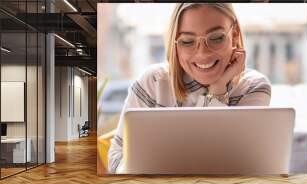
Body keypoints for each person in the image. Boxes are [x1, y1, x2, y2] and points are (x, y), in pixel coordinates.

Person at [108, 3, 272, 174]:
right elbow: (116, 159)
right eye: (187, 41)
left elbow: (236, 167)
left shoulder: (253, 87)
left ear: (235, 33)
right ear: (175, 44)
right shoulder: (153, 82)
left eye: (216, 38)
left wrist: (217, 90)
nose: (203, 54)